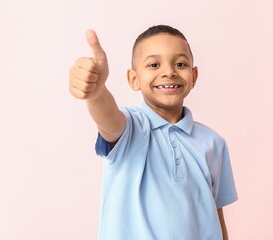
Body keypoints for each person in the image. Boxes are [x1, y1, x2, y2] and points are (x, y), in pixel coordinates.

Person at [68, 25, 238, 240]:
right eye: (154, 64)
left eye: (180, 63)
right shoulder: (130, 128)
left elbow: (215, 216)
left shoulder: (214, 143)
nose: (169, 72)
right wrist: (96, 92)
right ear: (133, 79)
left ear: (194, 76)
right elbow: (108, 120)